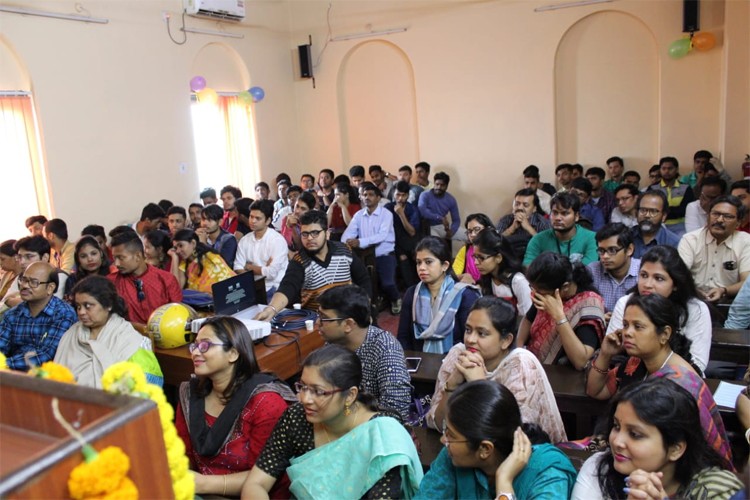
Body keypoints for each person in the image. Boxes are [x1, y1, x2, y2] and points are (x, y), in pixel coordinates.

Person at [241, 344, 423, 499]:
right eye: (302, 387)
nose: (305, 398)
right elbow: (256, 483)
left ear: (350, 395)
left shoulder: (381, 438)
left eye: (318, 391)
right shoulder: (297, 418)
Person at [585, 293, 733, 470]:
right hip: (631, 452)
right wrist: (605, 354)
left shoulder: (681, 383)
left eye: (638, 327)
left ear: (664, 334)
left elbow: (692, 449)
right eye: (625, 325)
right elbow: (595, 390)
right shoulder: (636, 363)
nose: (627, 333)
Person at [174, 316, 296, 498]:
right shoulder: (190, 395)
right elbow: (183, 458)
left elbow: (267, 477)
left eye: (205, 345)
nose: (195, 352)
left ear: (233, 353)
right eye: (195, 345)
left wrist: (203, 484)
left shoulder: (265, 401)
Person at [572, 377, 742, 500]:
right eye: (616, 426)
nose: (616, 442)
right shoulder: (600, 469)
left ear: (676, 448)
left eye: (635, 434)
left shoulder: (716, 490)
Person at [427, 297, 567, 443]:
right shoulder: (458, 355)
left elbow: (511, 438)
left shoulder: (521, 365)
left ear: (506, 341)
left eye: (482, 333)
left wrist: (480, 385)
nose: (470, 339)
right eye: (468, 330)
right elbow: (437, 424)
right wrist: (452, 385)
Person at [416, 380, 577, 499]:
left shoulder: (548, 473)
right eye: (445, 430)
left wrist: (504, 484)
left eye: (451, 435)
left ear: (485, 449)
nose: (443, 440)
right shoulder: (452, 456)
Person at [606, 246, 711, 373]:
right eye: (644, 275)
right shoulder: (625, 303)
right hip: (628, 376)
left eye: (659, 278)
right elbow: (613, 350)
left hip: (679, 379)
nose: (647, 284)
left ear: (675, 284)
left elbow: (698, 363)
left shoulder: (695, 309)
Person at [255, 210, 372, 319]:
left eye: (315, 233)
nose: (309, 238)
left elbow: (363, 279)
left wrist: (365, 305)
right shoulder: (300, 261)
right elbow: (287, 287)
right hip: (319, 321)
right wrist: (271, 309)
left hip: (349, 314)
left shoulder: (344, 250)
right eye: (304, 234)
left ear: (327, 234)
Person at [317, 285, 411, 419]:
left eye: (324, 318)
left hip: (375, 429)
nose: (317, 323)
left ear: (348, 325)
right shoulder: (332, 344)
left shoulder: (385, 348)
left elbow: (396, 409)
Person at [54, 275, 162, 387]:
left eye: (88, 306)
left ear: (108, 305)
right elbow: (55, 378)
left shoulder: (130, 340)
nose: (81, 312)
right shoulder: (72, 334)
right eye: (78, 306)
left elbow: (148, 386)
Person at [518, 252, 605, 369]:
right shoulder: (543, 292)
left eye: (540, 291)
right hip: (532, 366)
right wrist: (518, 352)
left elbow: (581, 361)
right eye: (532, 288)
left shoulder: (589, 305)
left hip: (564, 377)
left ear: (565, 287)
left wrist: (559, 316)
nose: (534, 294)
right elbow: (528, 320)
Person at [397, 236, 480, 353]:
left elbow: (470, 342)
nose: (421, 268)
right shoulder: (412, 294)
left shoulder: (464, 296)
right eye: (418, 262)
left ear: (445, 265)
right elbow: (403, 338)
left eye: (428, 262)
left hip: (455, 363)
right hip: (419, 363)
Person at [0, 262, 77, 370]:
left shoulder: (63, 314)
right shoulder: (13, 314)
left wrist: (5, 364)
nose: (24, 285)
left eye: (33, 282)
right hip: (12, 374)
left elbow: (46, 355)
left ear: (50, 288)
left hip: (46, 377)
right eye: (23, 280)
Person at [342, 182, 402, 314]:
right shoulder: (359, 215)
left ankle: (396, 298)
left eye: (371, 195)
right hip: (364, 256)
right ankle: (369, 304)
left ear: (378, 198)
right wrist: (348, 242)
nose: (367, 197)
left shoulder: (386, 214)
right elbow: (347, 234)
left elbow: (381, 236)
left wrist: (360, 241)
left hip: (384, 254)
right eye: (364, 195)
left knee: (388, 283)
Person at [678, 195, 750, 303]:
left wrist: (724, 290)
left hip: (731, 300)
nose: (720, 220)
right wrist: (694, 292)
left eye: (728, 216)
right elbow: (679, 275)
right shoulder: (690, 240)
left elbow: (747, 282)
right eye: (716, 214)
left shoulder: (745, 241)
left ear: (738, 223)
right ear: (708, 216)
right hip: (692, 298)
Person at [108, 231, 183, 328]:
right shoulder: (110, 282)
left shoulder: (166, 279)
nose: (117, 264)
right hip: (126, 338)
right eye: (114, 258)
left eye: (121, 258)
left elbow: (177, 315)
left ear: (138, 256)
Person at [523, 192, 598, 267]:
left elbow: (588, 269)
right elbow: (528, 268)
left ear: (577, 216)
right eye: (555, 213)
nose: (558, 218)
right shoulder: (538, 239)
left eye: (565, 213)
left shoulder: (592, 238)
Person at [234, 200, 289, 301]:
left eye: (257, 218)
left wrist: (248, 266)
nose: (253, 221)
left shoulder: (277, 241)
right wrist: (260, 269)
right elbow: (237, 267)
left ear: (268, 221)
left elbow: (271, 273)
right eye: (251, 216)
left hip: (274, 289)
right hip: (251, 287)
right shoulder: (245, 240)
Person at [473, 228, 532, 316]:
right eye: (475, 257)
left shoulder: (518, 281)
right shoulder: (487, 279)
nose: (476, 263)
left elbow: (526, 318)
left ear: (498, 258)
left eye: (481, 258)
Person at [587, 224, 640, 314]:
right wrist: (599, 317)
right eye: (601, 251)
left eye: (612, 250)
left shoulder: (643, 272)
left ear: (629, 250)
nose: (605, 256)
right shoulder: (592, 270)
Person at [169, 229, 235, 294]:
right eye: (175, 248)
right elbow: (175, 289)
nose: (178, 251)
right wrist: (174, 258)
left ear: (193, 243)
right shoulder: (185, 262)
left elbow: (211, 291)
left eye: (181, 246)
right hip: (202, 302)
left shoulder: (209, 257)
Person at [385, 180, 421, 288]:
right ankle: (411, 288)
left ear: (408, 195)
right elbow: (386, 231)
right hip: (393, 243)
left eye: (403, 195)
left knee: (418, 256)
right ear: (393, 194)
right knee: (403, 258)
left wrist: (401, 215)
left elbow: (412, 232)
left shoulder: (412, 209)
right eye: (398, 195)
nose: (400, 198)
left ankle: (420, 286)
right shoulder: (388, 208)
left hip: (410, 241)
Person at [496, 188, 551, 258]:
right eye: (517, 204)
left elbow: (549, 248)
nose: (520, 207)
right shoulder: (505, 220)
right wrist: (511, 229)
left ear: (534, 209)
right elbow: (495, 242)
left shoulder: (543, 223)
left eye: (525, 205)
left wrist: (528, 228)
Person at [648, 156, 695, 236]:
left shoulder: (685, 188)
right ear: (660, 170)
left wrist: (663, 211)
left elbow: (684, 210)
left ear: (676, 169)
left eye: (670, 168)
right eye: (664, 168)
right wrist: (674, 211)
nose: (667, 171)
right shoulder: (653, 188)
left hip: (680, 226)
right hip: (657, 225)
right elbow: (650, 209)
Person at [630, 190, 680, 259]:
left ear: (664, 216)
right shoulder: (627, 236)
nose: (647, 215)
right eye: (643, 210)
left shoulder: (673, 243)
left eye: (653, 211)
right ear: (636, 213)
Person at [453, 213, 493, 285]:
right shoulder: (465, 249)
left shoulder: (495, 249)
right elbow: (454, 275)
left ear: (488, 229)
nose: (472, 234)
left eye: (477, 229)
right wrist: (464, 276)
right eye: (469, 231)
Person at [418, 171, 460, 239]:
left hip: (443, 227)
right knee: (437, 243)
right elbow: (423, 211)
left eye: (442, 185)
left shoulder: (451, 199)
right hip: (428, 227)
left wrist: (452, 231)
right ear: (434, 184)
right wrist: (440, 218)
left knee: (468, 235)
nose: (439, 187)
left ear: (446, 186)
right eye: (437, 184)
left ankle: (469, 250)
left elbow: (456, 220)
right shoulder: (425, 195)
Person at [196, 204, 237, 268]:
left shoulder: (229, 239)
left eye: (209, 220)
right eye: (203, 219)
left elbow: (223, 266)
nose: (204, 223)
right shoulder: (197, 237)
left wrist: (203, 244)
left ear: (220, 222)